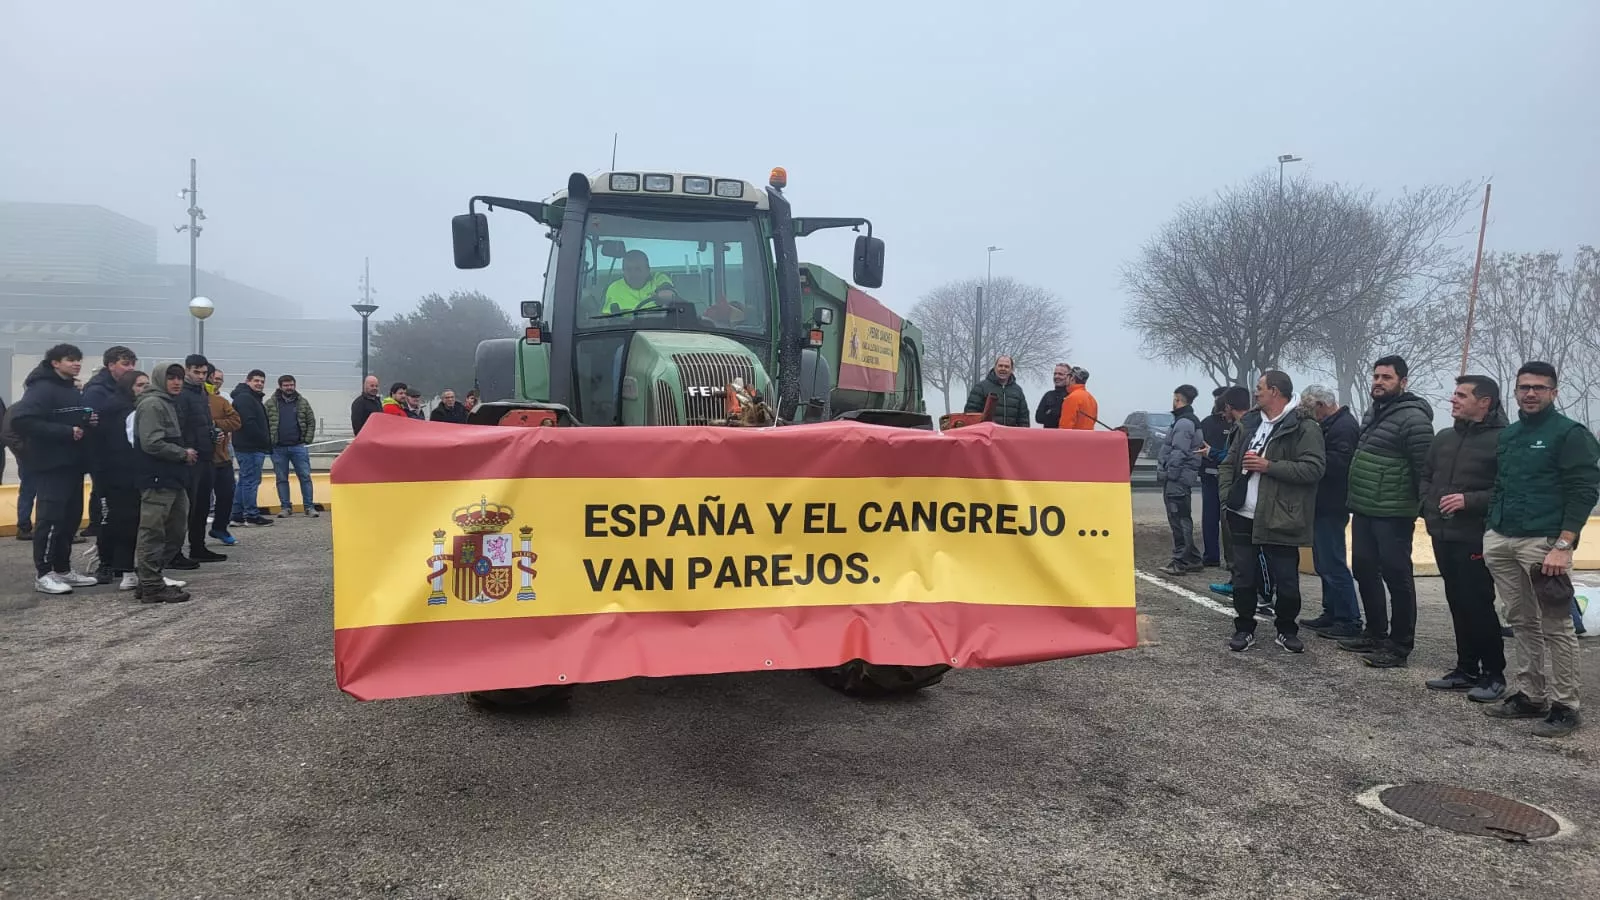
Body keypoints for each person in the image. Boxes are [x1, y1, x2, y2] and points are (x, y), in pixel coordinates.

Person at [1482, 361, 1600, 737]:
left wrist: (1564, 545)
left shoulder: (1570, 434)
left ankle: (1566, 705)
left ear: (1554, 391)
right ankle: (1531, 695)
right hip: (1503, 538)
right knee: (1520, 620)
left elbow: (1583, 490)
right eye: (1524, 387)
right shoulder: (1510, 435)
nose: (1530, 393)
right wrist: (1491, 529)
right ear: (1515, 391)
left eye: (1539, 387)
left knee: (1556, 625)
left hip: (1544, 542)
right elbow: (1500, 484)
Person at [1217, 370, 1325, 653]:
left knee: (1286, 579)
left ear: (1275, 391)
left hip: (1281, 514)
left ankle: (1287, 630)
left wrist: (1269, 466)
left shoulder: (1304, 426)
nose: (1255, 393)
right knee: (1243, 576)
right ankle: (1243, 628)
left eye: (1260, 388)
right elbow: (1228, 463)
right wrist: (1227, 496)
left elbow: (1314, 468)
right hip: (1242, 513)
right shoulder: (1249, 423)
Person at [1419, 375, 1508, 702]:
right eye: (1454, 394)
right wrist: (1426, 504)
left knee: (1478, 604)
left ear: (1484, 402)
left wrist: (1469, 501)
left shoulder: (1504, 440)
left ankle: (1493, 674)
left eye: (1461, 395)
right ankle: (1465, 669)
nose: (1452, 400)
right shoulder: (1444, 437)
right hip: (1442, 534)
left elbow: (1505, 489)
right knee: (1457, 602)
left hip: (1476, 536)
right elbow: (1426, 475)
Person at [1341, 355, 1434, 668]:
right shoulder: (1374, 411)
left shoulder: (1414, 419)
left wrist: (1423, 509)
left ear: (1403, 382)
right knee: (1364, 568)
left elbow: (1425, 467)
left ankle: (1399, 645)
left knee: (1398, 577)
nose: (1379, 382)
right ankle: (1375, 632)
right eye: (1376, 376)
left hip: (1394, 513)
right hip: (1366, 508)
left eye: (1387, 378)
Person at [10, 344, 100, 594]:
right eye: (70, 360)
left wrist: (87, 420)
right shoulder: (41, 388)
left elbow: (66, 416)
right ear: (55, 363)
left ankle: (62, 569)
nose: (76, 364)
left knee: (70, 519)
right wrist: (66, 431)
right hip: (51, 465)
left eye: (78, 360)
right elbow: (23, 420)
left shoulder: (70, 388)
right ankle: (44, 573)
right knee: (50, 520)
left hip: (73, 464)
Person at [1298, 385, 1363, 639]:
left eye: (1311, 410)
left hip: (1332, 504)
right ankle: (1332, 611)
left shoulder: (1344, 427)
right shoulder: (1332, 425)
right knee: (1323, 562)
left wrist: (1311, 459)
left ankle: (1349, 619)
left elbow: (1339, 465)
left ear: (1321, 406)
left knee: (1333, 563)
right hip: (1322, 503)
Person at [132, 364, 196, 604]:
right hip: (157, 478)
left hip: (172, 478)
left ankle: (149, 580)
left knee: (176, 530)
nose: (177, 382)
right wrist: (182, 453)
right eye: (171, 378)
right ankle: (151, 585)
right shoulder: (152, 404)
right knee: (153, 531)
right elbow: (151, 443)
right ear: (160, 379)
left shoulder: (168, 402)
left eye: (179, 378)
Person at [80, 345, 140, 578]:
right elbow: (94, 427)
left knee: (124, 516)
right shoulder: (97, 391)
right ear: (110, 365)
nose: (130, 368)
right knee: (107, 515)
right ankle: (105, 562)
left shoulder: (122, 390)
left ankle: (120, 562)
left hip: (123, 463)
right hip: (105, 463)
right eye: (125, 364)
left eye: (132, 364)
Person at [176, 354, 224, 564]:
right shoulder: (181, 394)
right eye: (196, 372)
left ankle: (198, 546)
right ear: (187, 370)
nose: (201, 376)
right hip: (189, 457)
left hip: (206, 454)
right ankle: (175, 552)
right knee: (187, 507)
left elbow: (204, 420)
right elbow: (179, 424)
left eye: (204, 373)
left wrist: (214, 433)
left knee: (203, 505)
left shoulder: (203, 392)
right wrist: (184, 449)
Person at [1158, 384, 1204, 575]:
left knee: (1178, 519)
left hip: (1177, 479)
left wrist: (1169, 474)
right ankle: (1192, 557)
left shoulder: (1183, 423)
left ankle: (1180, 561)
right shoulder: (1187, 421)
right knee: (1182, 516)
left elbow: (1179, 451)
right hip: (1182, 477)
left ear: (1178, 399)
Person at [266, 374, 318, 517]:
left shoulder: (303, 403)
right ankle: (285, 507)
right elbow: (264, 423)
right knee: (281, 478)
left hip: (298, 447)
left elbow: (311, 421)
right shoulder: (270, 404)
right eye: (286, 385)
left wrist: (307, 440)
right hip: (278, 448)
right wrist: (269, 441)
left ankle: (309, 507)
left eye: (291, 385)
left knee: (305, 477)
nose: (289, 388)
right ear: (280, 386)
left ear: (295, 385)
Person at [229, 370, 275, 527]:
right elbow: (249, 424)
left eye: (262, 381)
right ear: (247, 381)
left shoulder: (249, 398)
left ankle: (237, 515)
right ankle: (251, 515)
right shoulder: (246, 399)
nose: (260, 384)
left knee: (244, 480)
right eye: (256, 380)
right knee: (250, 481)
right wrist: (263, 440)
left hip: (247, 446)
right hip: (250, 447)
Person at [205, 366, 241, 546]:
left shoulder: (221, 400)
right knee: (201, 500)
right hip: (201, 459)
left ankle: (220, 527)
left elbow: (236, 421)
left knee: (227, 494)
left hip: (222, 457)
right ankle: (195, 542)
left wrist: (215, 424)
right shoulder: (186, 400)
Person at [1198, 388, 1230, 568]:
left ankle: (1231, 557)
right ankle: (1211, 555)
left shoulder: (1237, 424)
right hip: (1209, 478)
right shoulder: (1207, 423)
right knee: (1209, 519)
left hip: (1229, 479)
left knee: (1229, 520)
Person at [963, 355, 1029, 427]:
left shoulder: (1018, 391)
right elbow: (971, 414)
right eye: (1000, 366)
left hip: (1010, 435)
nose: (1003, 368)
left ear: (1012, 370)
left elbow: (1023, 418)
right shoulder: (981, 387)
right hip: (987, 435)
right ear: (995, 367)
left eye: (1006, 366)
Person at [604, 249, 677, 314]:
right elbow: (606, 317)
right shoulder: (614, 288)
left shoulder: (658, 278)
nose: (633, 274)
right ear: (623, 271)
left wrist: (662, 295)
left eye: (638, 269)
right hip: (626, 328)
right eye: (628, 269)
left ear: (648, 270)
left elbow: (669, 293)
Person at [1057, 366, 1099, 431]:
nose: (1065, 379)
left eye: (1067, 376)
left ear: (1072, 378)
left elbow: (1065, 428)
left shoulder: (1072, 398)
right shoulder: (1092, 399)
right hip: (1088, 439)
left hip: (1073, 440)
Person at [1035, 364, 1070, 429]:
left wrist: (1049, 413)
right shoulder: (1048, 395)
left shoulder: (1072, 395)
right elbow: (1038, 418)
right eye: (1055, 374)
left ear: (1069, 377)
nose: (1057, 376)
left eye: (1060, 374)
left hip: (1066, 436)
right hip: (1049, 436)